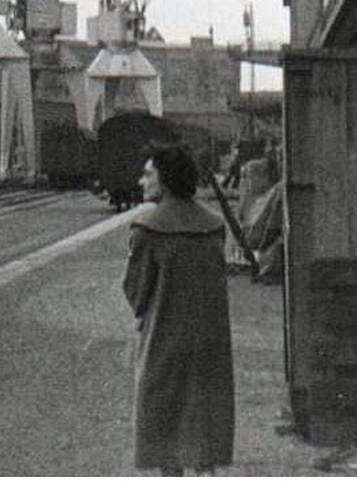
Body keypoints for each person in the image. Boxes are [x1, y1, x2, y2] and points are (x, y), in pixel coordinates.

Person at [122, 145, 235, 476]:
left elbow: (136, 294)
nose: (142, 181)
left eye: (148, 174)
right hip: (210, 343)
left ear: (166, 181)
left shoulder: (147, 228)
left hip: (164, 343)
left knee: (164, 425)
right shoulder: (213, 225)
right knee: (203, 426)